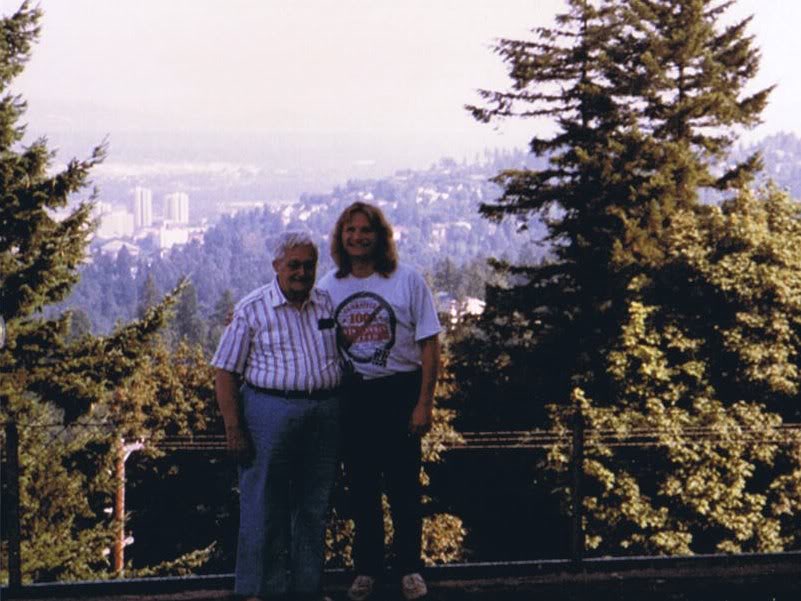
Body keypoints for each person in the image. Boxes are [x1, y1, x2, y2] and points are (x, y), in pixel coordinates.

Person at [318, 202, 441, 601]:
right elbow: (298, 322)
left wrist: (424, 402)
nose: (358, 237)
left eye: (366, 230)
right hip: (352, 396)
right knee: (362, 489)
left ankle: (410, 568)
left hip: (399, 391)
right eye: (350, 230)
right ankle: (367, 569)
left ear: (381, 236)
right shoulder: (328, 286)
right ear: (341, 237)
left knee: (404, 487)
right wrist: (243, 318)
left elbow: (429, 345)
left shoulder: (407, 281)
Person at [211, 231, 341, 601]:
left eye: (308, 265)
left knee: (314, 507)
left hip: (324, 413)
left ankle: (307, 591)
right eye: (293, 265)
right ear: (277, 267)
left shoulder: (326, 304)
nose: (301, 272)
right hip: (269, 411)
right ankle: (261, 593)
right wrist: (233, 429)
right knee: (263, 505)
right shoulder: (251, 309)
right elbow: (224, 371)